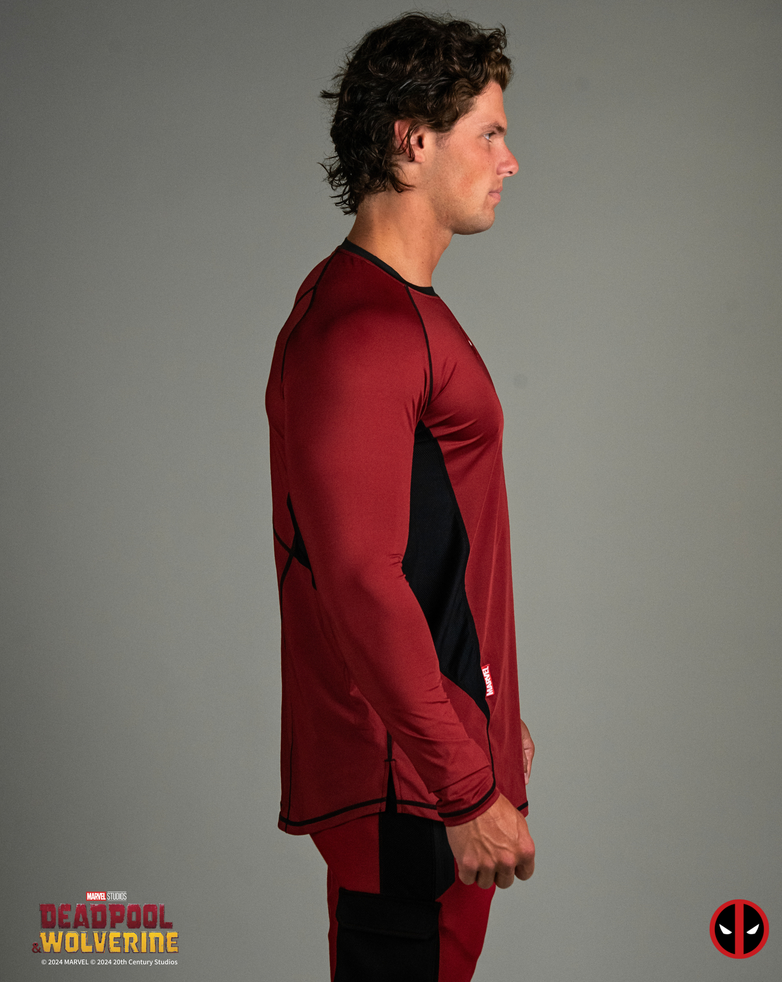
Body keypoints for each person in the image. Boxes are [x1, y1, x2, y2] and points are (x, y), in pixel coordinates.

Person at [265, 13, 535, 981]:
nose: (509, 161)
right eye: (488, 134)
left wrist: (491, 720)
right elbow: (359, 579)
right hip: (410, 786)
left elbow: (434, 537)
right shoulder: (363, 331)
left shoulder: (394, 310)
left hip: (434, 759)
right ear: (414, 142)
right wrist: (462, 781)